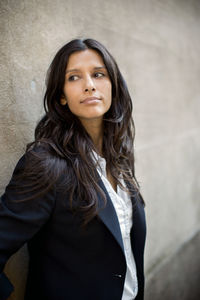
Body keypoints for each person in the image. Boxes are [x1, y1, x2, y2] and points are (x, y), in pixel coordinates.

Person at [0, 38, 146, 300]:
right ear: (62, 96)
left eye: (98, 74)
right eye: (74, 77)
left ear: (113, 85)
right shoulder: (46, 164)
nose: (89, 85)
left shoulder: (119, 156)